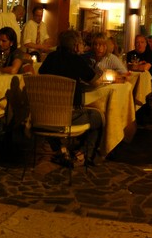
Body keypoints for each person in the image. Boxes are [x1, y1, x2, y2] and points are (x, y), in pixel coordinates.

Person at [38, 29, 105, 166]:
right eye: (81, 43)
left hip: (46, 115)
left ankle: (61, 150)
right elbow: (95, 82)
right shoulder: (77, 60)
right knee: (99, 118)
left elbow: (41, 75)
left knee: (50, 124)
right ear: (75, 46)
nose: (82, 46)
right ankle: (83, 155)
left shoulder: (51, 57)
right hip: (70, 116)